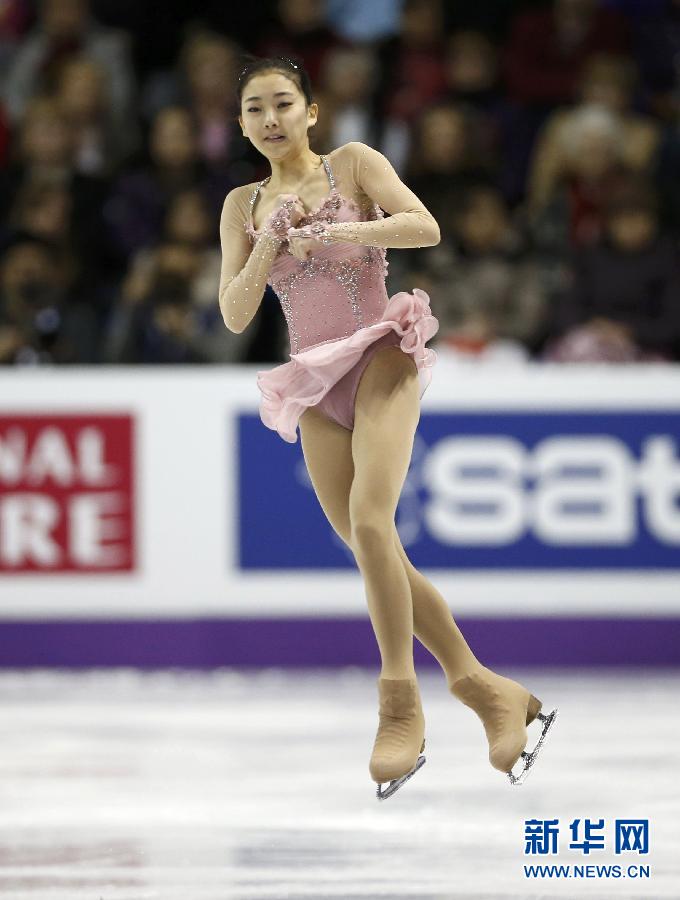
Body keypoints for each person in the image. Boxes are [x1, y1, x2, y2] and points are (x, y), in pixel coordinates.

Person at [218, 54, 556, 799]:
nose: (269, 119)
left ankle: (399, 703)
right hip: (314, 380)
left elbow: (425, 227)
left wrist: (344, 238)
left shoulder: (353, 164)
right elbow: (236, 312)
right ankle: (485, 689)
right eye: (253, 109)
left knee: (373, 521)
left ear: (311, 111)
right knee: (379, 554)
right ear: (241, 125)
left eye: (282, 103)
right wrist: (272, 239)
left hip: (379, 352)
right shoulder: (242, 204)